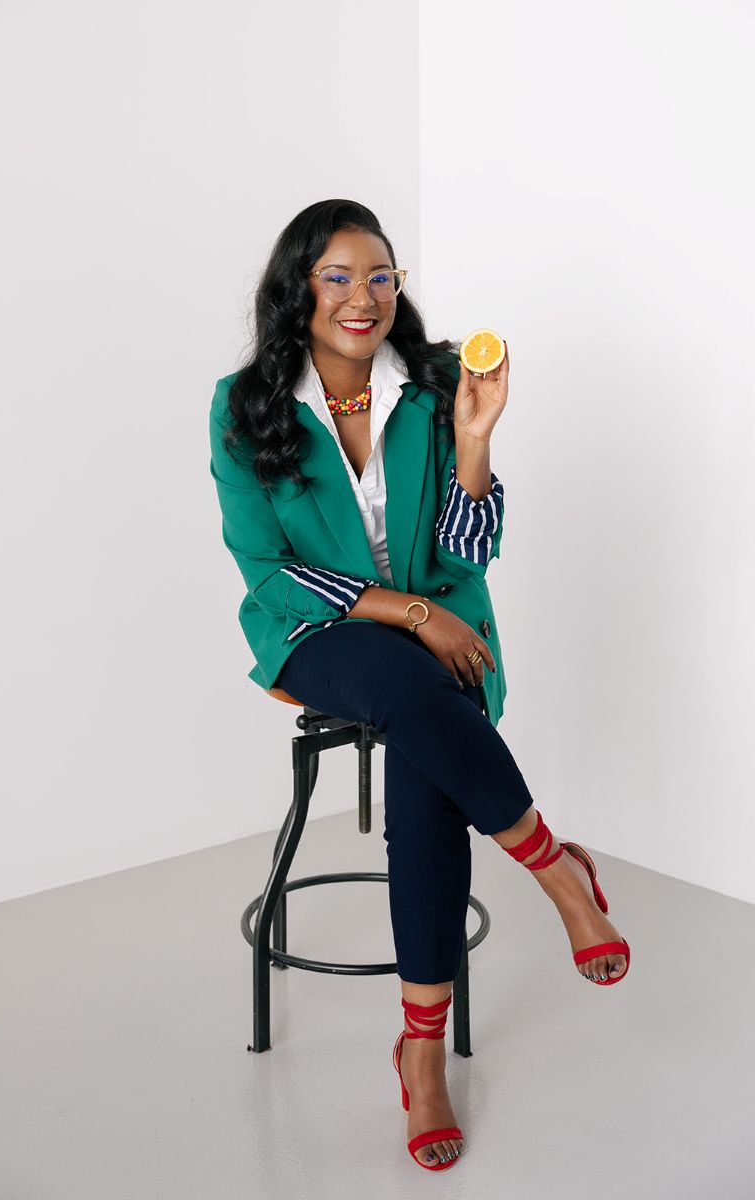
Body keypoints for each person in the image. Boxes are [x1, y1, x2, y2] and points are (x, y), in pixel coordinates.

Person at [208, 199, 630, 1172]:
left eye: (380, 276)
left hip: (441, 646)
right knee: (410, 686)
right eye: (338, 277)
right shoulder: (243, 405)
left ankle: (421, 1051)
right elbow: (266, 567)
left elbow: (467, 549)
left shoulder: (436, 383)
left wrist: (474, 442)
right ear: (296, 293)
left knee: (421, 762)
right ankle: (553, 869)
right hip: (316, 633)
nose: (364, 297)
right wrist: (408, 614)